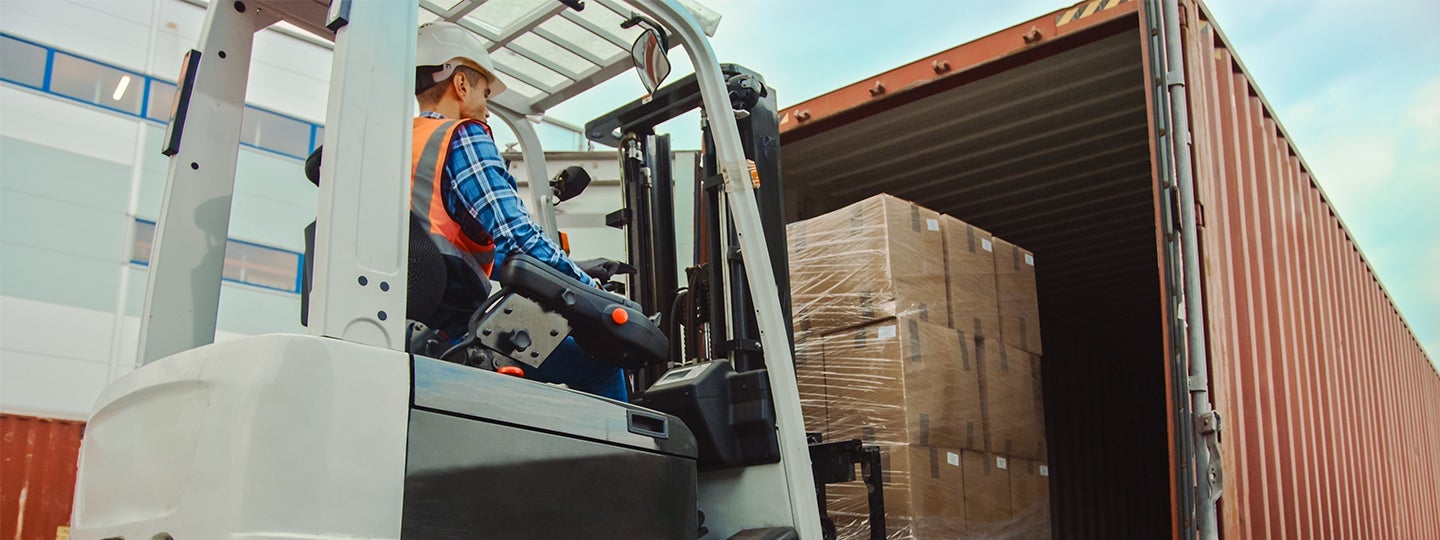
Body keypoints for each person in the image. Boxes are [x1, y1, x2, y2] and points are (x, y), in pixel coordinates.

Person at [411, 21, 627, 401]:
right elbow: (517, 236)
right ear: (461, 84)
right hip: (459, 333)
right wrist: (592, 292)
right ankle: (632, 462)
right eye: (485, 92)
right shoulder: (462, 135)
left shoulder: (399, 143)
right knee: (602, 366)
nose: (487, 110)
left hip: (416, 328)